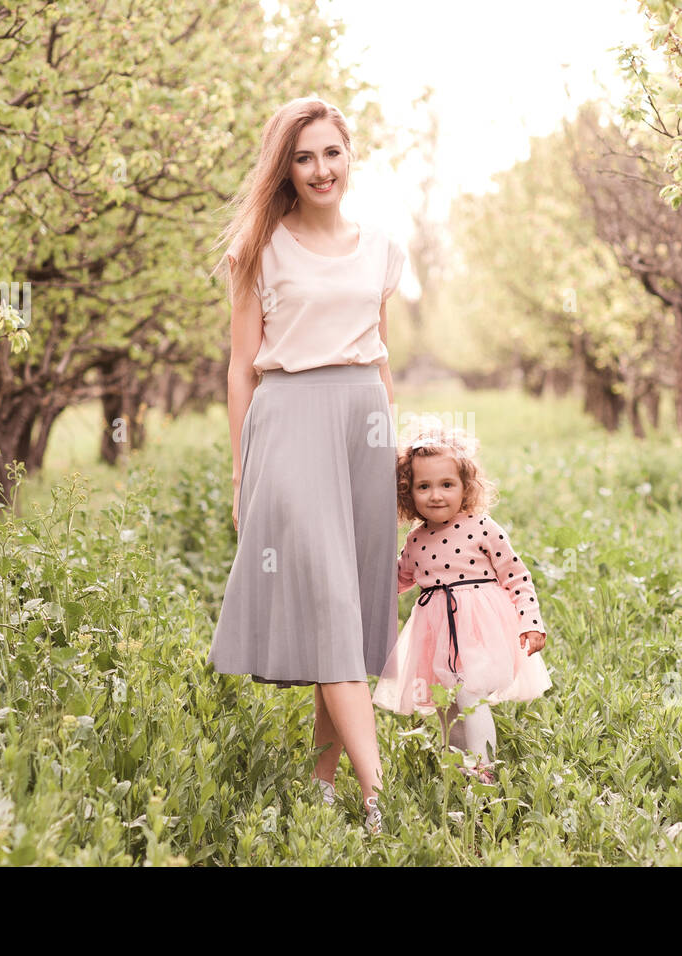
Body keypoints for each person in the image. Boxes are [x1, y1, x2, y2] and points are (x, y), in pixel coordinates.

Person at [206, 96, 407, 836]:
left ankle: (320, 784)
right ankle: (379, 798)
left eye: (331, 152)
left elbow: (381, 354)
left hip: (364, 424)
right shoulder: (260, 246)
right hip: (288, 420)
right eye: (304, 156)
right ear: (284, 166)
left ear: (350, 155)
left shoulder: (382, 245)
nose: (321, 169)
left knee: (348, 615)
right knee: (326, 597)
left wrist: (396, 457)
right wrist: (240, 470)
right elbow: (238, 370)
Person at [373, 418, 552, 785]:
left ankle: (484, 772)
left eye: (446, 485)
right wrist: (363, 582)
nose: (436, 495)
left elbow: (516, 575)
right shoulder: (416, 540)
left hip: (480, 630)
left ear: (465, 488)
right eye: (424, 487)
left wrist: (531, 621)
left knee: (471, 695)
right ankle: (458, 773)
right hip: (437, 636)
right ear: (408, 493)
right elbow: (398, 579)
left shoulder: (482, 526)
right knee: (448, 705)